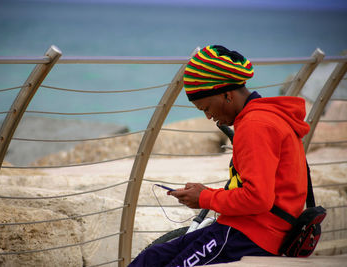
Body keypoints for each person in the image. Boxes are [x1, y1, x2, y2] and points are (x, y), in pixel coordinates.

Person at [129, 45, 310, 266]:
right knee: (151, 257)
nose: (208, 116)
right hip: (247, 227)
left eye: (206, 108)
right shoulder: (266, 117)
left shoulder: (255, 125)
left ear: (226, 94)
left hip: (253, 235)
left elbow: (258, 198)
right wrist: (205, 193)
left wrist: (204, 198)